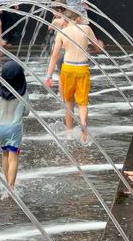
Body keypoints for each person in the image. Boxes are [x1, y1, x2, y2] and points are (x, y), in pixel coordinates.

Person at [43, 10, 103, 142]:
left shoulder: (62, 33)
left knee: (68, 101)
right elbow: (98, 48)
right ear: (77, 19)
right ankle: (83, 125)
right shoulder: (86, 28)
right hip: (82, 68)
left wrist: (49, 76)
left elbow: (54, 57)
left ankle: (69, 132)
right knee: (82, 103)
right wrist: (100, 44)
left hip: (68, 68)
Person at [0, 61, 29, 189]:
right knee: (13, 157)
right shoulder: (22, 92)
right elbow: (26, 112)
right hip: (15, 128)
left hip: (0, 128)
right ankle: (11, 186)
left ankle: (6, 183)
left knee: (4, 155)